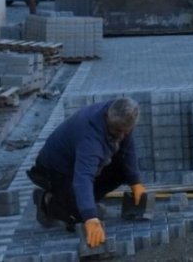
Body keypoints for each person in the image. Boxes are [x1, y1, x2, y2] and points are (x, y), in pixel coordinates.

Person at [27, 97, 147, 248]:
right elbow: (83, 177)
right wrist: (90, 217)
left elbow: (127, 149)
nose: (122, 136)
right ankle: (47, 202)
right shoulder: (90, 139)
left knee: (123, 170)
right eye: (117, 131)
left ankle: (82, 200)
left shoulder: (120, 112)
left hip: (78, 165)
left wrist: (135, 181)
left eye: (126, 131)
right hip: (57, 170)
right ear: (107, 118)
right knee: (80, 216)